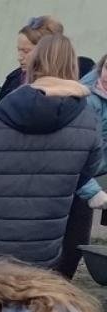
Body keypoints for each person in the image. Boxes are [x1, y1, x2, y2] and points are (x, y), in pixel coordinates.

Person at [0, 34, 103, 274]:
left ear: (34, 65)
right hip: (39, 245)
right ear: (72, 67)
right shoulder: (87, 122)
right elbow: (87, 173)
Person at [60, 61, 107, 279]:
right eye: (106, 69)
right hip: (79, 176)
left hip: (92, 175)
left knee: (77, 236)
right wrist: (89, 187)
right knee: (72, 237)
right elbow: (76, 150)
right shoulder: (87, 100)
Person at [0, 16, 94, 101]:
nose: (19, 57)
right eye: (18, 50)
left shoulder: (81, 78)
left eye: (26, 51)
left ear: (45, 50)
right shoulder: (13, 80)